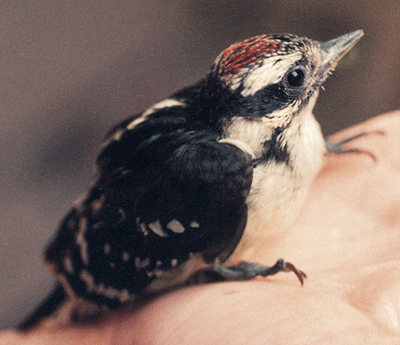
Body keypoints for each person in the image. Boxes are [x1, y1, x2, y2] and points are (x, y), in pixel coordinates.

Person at [2, 111, 400, 344]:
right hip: (95, 264)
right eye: (295, 79)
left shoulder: (263, 136)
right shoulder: (217, 175)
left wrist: (312, 151)